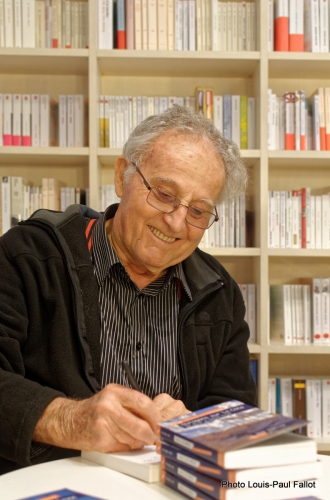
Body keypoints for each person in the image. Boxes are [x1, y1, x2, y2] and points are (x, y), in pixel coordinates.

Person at [0, 105, 256, 475]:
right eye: (164, 194)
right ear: (123, 177)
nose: (176, 221)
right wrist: (71, 419)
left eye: (199, 211)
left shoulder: (219, 293)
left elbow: (235, 410)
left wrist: (198, 427)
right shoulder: (29, 256)